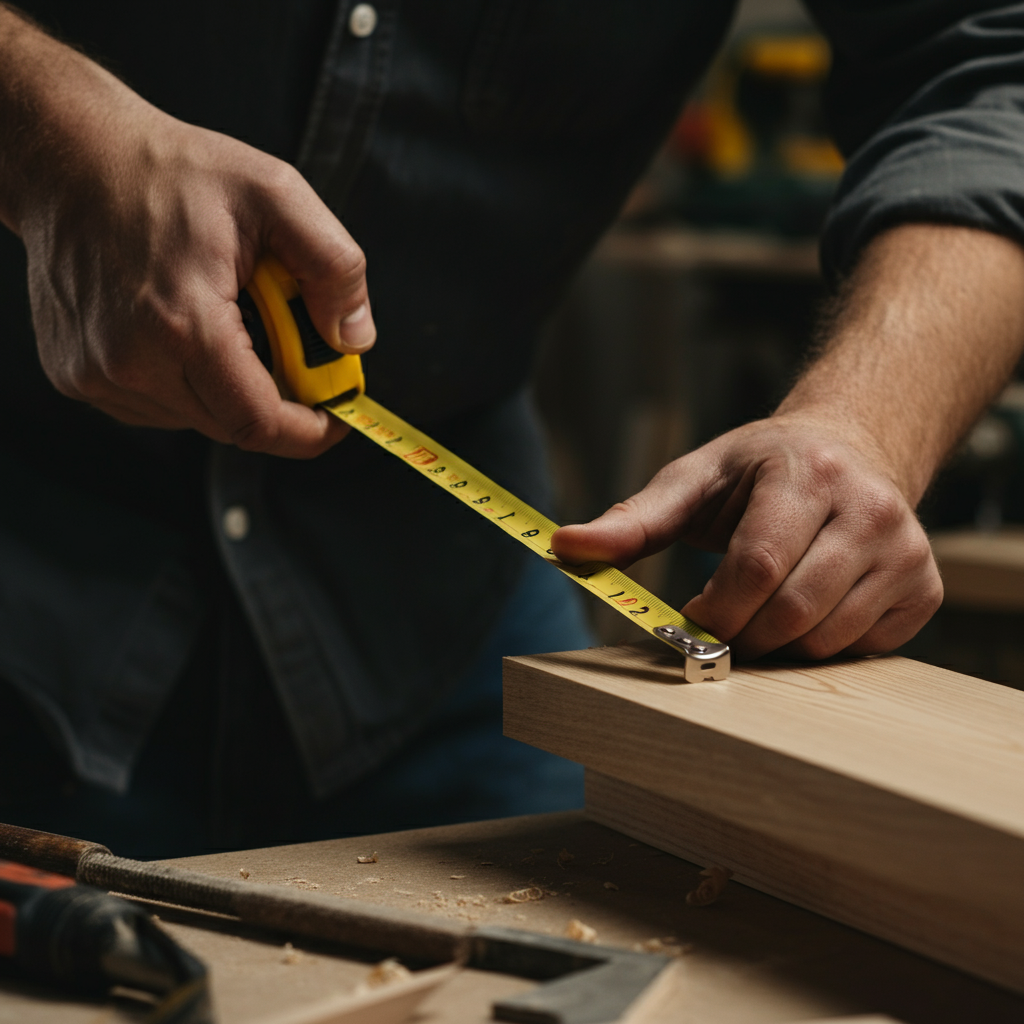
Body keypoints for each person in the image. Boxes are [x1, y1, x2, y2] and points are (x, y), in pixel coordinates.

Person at [1, 1, 1022, 856]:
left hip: (448, 615)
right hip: (34, 573)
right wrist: (47, 131)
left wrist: (864, 421)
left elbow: (987, 62)